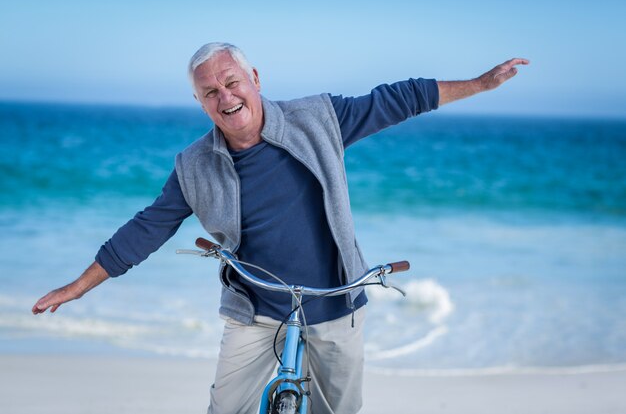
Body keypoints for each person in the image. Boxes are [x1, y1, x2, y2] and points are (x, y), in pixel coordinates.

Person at [32, 42, 528, 414]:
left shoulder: (319, 118)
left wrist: (480, 85)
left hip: (337, 300)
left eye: (232, 82)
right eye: (210, 92)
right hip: (257, 309)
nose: (225, 96)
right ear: (201, 103)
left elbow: (397, 100)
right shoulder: (194, 165)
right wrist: (78, 287)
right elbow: (146, 229)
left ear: (255, 77)